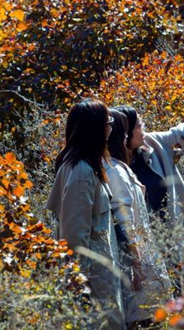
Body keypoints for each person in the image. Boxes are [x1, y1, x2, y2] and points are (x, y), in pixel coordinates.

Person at [112, 105, 184, 295]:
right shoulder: (111, 168)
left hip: (173, 244)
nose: (143, 128)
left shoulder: (155, 144)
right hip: (142, 253)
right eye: (138, 126)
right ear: (123, 135)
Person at [46, 99, 124, 329]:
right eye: (107, 121)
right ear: (96, 129)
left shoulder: (88, 166)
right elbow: (73, 236)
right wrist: (80, 285)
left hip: (99, 275)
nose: (110, 126)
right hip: (92, 281)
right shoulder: (80, 172)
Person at [105, 109, 172, 327]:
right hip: (137, 266)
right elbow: (124, 221)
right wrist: (138, 266)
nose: (126, 136)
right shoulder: (114, 171)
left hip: (143, 260)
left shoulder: (120, 167)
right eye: (124, 131)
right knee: (145, 317)